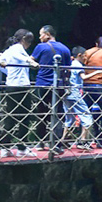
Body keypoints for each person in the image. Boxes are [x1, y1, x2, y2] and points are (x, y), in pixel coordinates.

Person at [30, 26, 72, 154]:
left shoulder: (41, 47)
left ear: (47, 34)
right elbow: (68, 69)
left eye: (41, 34)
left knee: (42, 112)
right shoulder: (65, 49)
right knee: (58, 113)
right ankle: (56, 144)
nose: (40, 37)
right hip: (59, 85)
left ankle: (40, 142)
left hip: (42, 84)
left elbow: (31, 61)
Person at [0, 30, 37, 156]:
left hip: (12, 85)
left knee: (12, 116)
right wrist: (30, 61)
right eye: (29, 41)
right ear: (23, 39)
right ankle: (20, 147)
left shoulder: (10, 50)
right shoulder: (17, 49)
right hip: (21, 86)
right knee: (23, 117)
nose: (29, 44)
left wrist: (9, 72)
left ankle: (6, 147)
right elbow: (22, 58)